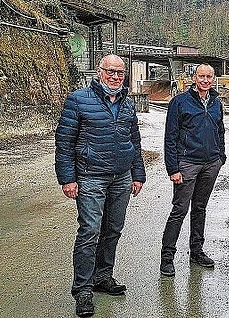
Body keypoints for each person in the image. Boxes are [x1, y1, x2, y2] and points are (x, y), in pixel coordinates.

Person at [55, 54, 146, 318]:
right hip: (90, 176)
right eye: (111, 71)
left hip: (121, 177)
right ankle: (83, 289)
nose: (116, 77)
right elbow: (64, 142)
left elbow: (134, 141)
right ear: (99, 71)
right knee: (90, 231)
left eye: (120, 72)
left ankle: (103, 276)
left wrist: (137, 173)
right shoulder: (78, 99)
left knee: (113, 229)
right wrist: (68, 178)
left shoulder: (128, 103)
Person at [160, 63, 226, 277]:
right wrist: (173, 168)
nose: (205, 80)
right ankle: (167, 258)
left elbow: (221, 130)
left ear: (213, 78)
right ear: (194, 78)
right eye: (201, 76)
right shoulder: (180, 102)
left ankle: (197, 251)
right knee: (179, 210)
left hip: (210, 163)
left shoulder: (216, 102)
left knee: (200, 208)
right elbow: (170, 137)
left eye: (209, 76)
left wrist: (220, 157)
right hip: (187, 163)